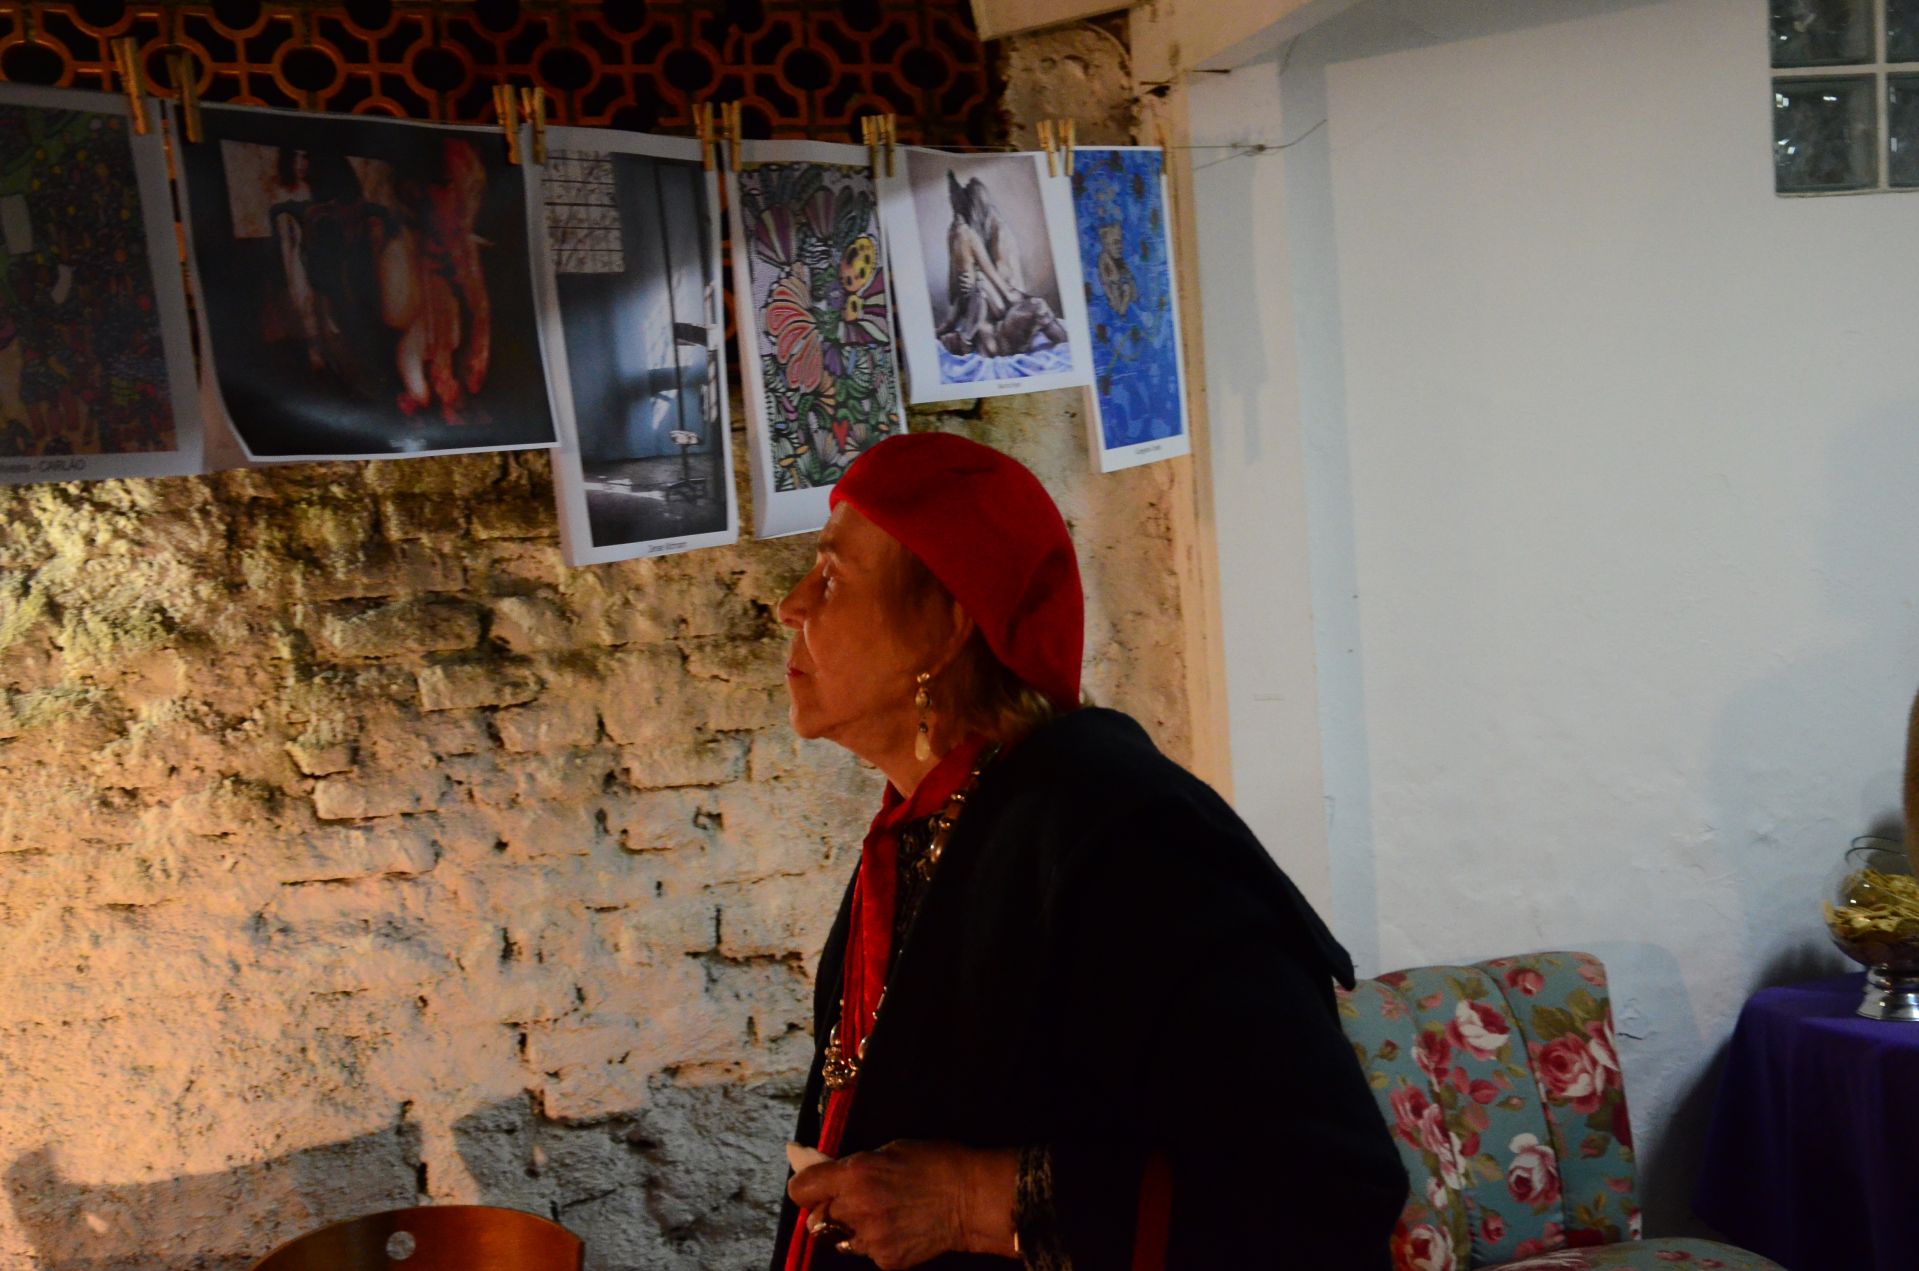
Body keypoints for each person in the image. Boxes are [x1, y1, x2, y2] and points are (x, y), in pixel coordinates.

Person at [771, 433, 1406, 1271]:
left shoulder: (1127, 836)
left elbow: (1321, 1185)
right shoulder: (925, 831)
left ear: (948, 623)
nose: (790, 605)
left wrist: (971, 1200)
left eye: (830, 577)